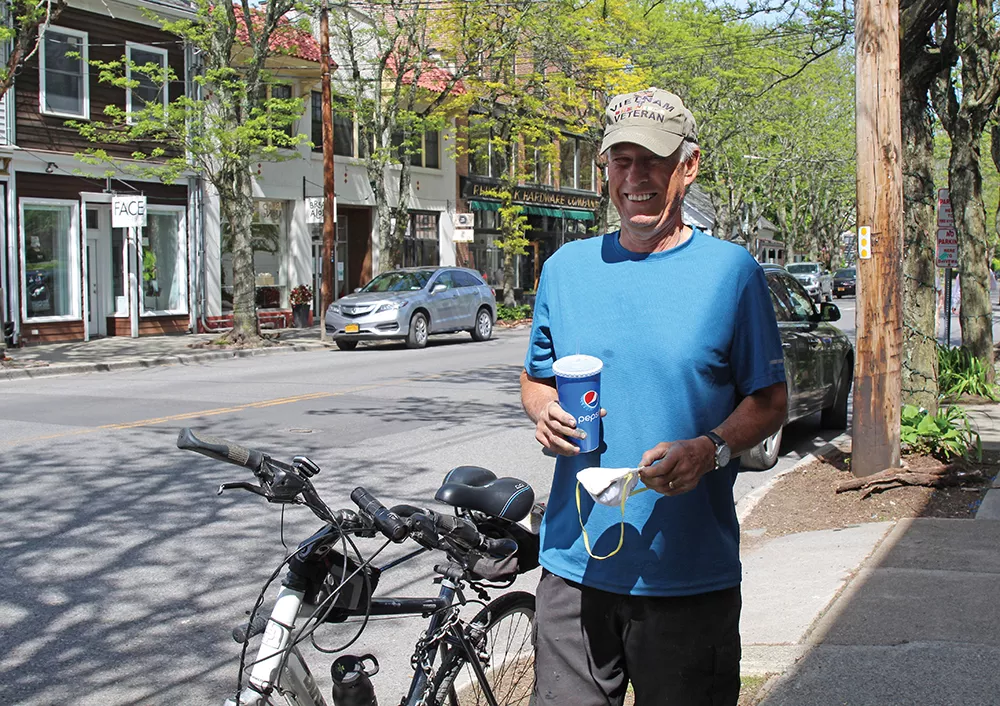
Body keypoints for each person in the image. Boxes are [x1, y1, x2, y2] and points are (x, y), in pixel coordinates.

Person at [520, 88, 788, 706]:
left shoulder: (733, 273)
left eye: (653, 161)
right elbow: (536, 378)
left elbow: (771, 401)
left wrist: (710, 449)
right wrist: (542, 411)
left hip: (687, 576)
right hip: (574, 568)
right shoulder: (565, 270)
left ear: (688, 167)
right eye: (621, 161)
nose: (635, 178)